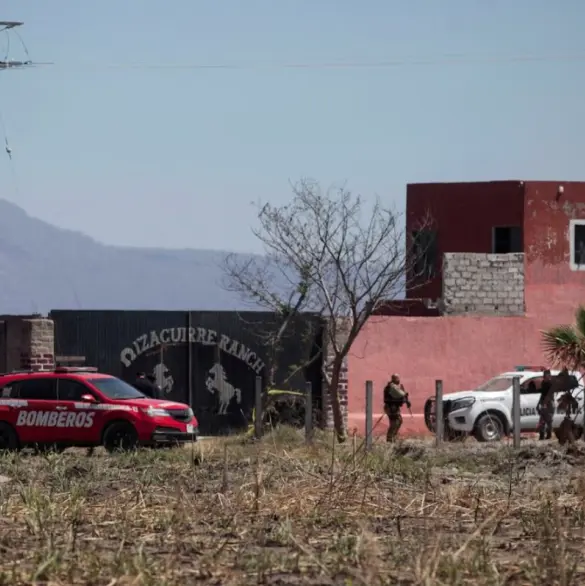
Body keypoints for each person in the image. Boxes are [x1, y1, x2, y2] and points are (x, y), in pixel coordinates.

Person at [383, 373, 411, 442]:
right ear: (394, 379)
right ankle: (390, 439)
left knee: (399, 421)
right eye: (397, 378)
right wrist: (405, 395)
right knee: (394, 423)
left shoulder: (394, 386)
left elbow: (399, 396)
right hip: (391, 408)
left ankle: (393, 437)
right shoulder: (392, 386)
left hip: (394, 407)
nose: (399, 379)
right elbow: (400, 394)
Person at [537, 369, 554, 440]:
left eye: (548, 375)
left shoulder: (550, 384)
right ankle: (542, 435)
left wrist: (546, 403)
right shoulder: (543, 383)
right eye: (545, 375)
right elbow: (542, 394)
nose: (546, 377)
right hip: (544, 402)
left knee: (548, 420)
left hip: (549, 403)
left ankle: (548, 434)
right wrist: (539, 403)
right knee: (542, 420)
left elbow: (550, 395)